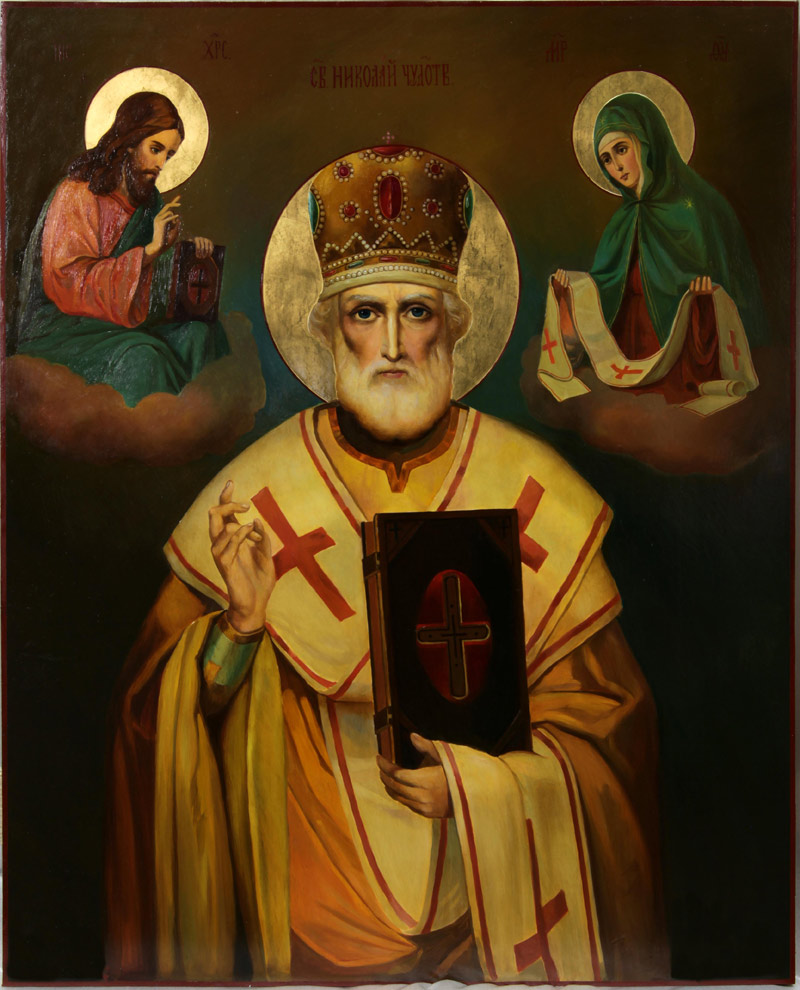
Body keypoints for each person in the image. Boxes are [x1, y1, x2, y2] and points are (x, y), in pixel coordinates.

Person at [105, 145, 668, 983]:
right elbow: (160, 722)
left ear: (457, 325)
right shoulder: (255, 497)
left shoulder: (532, 490)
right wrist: (241, 628)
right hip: (307, 928)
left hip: (496, 915)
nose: (394, 344)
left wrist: (479, 793)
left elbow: (611, 738)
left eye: (418, 312)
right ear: (328, 328)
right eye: (367, 312)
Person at [541, 92, 764, 413]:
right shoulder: (621, 222)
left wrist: (703, 299)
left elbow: (729, 288)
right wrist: (571, 292)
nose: (617, 166)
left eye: (621, 149)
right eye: (606, 159)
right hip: (624, 358)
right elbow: (605, 290)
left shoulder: (697, 208)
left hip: (679, 361)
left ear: (647, 143)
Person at [13, 91, 229, 407]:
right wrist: (150, 252)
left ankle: (199, 428)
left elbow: (156, 284)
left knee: (201, 335)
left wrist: (186, 255)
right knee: (144, 359)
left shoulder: (149, 204)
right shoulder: (78, 194)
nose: (160, 164)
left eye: (168, 155)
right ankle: (150, 434)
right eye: (155, 149)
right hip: (67, 327)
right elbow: (67, 283)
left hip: (126, 320)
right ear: (129, 141)